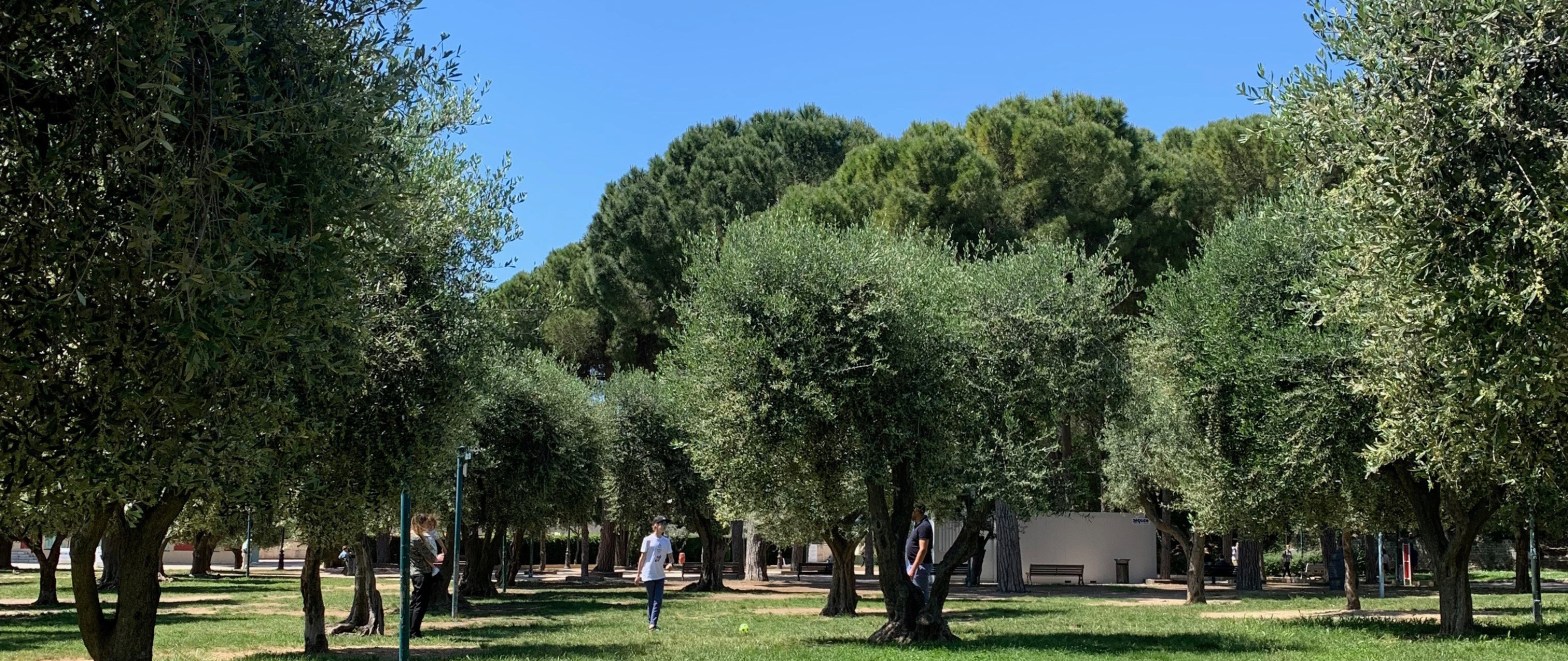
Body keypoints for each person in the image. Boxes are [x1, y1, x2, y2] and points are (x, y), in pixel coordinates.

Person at [407, 513, 445, 638]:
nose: (427, 526)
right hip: (422, 573)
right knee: (420, 604)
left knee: (415, 602)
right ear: (420, 523)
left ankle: (409, 629)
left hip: (415, 573)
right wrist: (439, 558)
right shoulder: (417, 539)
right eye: (425, 523)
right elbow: (429, 556)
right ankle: (414, 631)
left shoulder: (410, 536)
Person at [633, 516, 674, 631]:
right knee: (652, 599)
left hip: (660, 575)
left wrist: (670, 564)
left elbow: (671, 557)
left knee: (658, 600)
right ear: (655, 525)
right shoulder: (647, 540)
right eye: (662, 524)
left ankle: (652, 623)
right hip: (648, 574)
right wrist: (638, 575)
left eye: (665, 524)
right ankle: (651, 623)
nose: (664, 526)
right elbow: (642, 558)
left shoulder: (666, 541)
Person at [905, 504, 934, 627]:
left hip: (920, 566)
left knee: (921, 595)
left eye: (912, 510)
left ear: (917, 510)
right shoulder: (917, 526)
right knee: (914, 595)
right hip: (914, 565)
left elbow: (923, 549)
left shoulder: (924, 526)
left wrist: (914, 568)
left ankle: (924, 621)